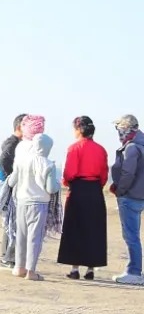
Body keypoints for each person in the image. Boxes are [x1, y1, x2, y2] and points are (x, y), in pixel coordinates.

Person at [7, 116, 59, 281]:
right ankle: (31, 271)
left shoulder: (22, 158)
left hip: (21, 201)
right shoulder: (48, 164)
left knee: (21, 235)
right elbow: (51, 188)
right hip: (39, 204)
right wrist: (57, 185)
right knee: (35, 238)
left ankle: (18, 267)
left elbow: (11, 181)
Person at [58, 116, 108, 281]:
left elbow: (69, 173)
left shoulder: (74, 148)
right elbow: (103, 175)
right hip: (95, 190)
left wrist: (66, 182)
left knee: (75, 228)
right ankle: (90, 269)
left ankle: (74, 268)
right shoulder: (101, 150)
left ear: (78, 129)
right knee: (93, 229)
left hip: (78, 189)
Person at [110, 113, 144, 286]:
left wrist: (120, 190)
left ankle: (134, 271)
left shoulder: (132, 148)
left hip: (130, 196)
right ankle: (136, 270)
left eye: (119, 128)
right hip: (140, 196)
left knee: (131, 236)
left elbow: (128, 173)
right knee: (134, 235)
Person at [0, 114, 26, 270]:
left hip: (14, 188)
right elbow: (4, 161)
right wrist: (13, 178)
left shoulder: (17, 143)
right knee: (12, 223)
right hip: (12, 188)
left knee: (12, 223)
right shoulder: (12, 143)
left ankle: (7, 257)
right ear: (20, 126)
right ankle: (7, 258)